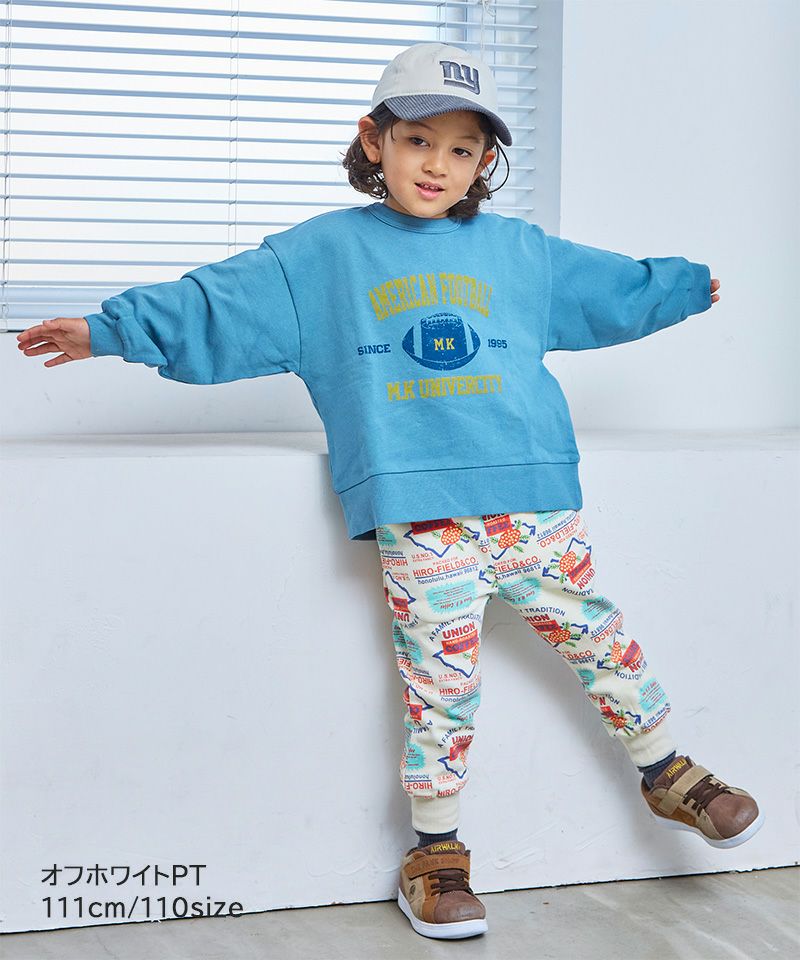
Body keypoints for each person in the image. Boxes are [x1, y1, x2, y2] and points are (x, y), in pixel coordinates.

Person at [16, 40, 762, 942]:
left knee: (599, 637)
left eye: (461, 149)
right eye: (417, 141)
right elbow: (218, 303)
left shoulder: (518, 253)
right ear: (374, 141)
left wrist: (678, 287)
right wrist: (107, 331)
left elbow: (609, 287)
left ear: (484, 162)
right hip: (421, 513)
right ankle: (435, 855)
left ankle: (670, 774)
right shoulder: (323, 256)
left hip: (532, 497)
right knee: (441, 685)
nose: (436, 165)